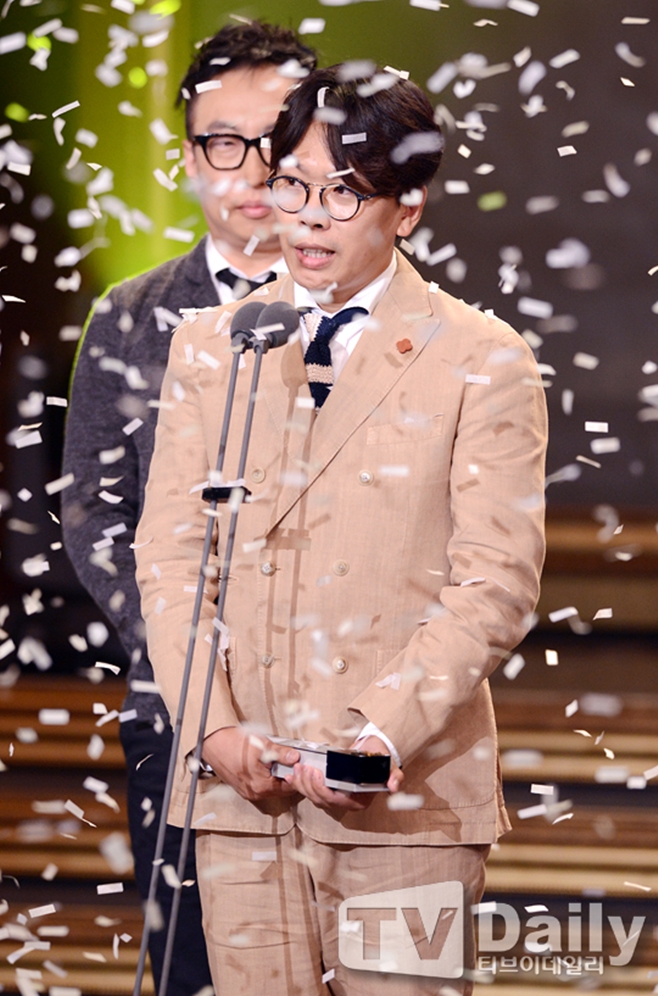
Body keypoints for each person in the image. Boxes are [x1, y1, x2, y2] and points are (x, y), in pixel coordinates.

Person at [134, 65, 547, 996]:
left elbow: (495, 583)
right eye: (293, 185)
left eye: (345, 193)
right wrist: (212, 728)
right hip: (241, 796)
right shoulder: (213, 346)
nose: (310, 219)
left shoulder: (482, 360)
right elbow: (168, 557)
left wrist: (376, 737)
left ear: (407, 206)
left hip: (405, 804)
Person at [61, 21, 317, 996]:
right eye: (224, 141)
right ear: (186, 157)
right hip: (175, 709)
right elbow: (93, 516)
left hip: (340, 707)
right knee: (191, 971)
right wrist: (191, 656)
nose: (251, 168)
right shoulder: (130, 315)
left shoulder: (372, 314)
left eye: (277, 139)